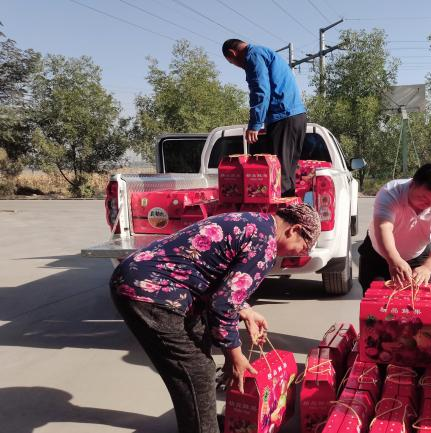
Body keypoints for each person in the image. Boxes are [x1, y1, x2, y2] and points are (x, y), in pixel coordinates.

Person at [109, 204, 321, 433]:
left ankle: (203, 424)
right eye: (304, 247)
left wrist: (246, 311)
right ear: (294, 230)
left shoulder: (256, 223)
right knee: (197, 371)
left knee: (200, 347)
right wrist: (236, 357)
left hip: (150, 278)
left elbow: (220, 278)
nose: (301, 253)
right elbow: (223, 305)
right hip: (149, 291)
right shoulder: (265, 246)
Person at [222, 39, 307, 197]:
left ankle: (280, 211)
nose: (238, 66)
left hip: (282, 117)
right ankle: (289, 209)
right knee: (288, 172)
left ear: (232, 54)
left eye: (233, 63)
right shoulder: (263, 52)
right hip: (297, 116)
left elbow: (260, 90)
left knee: (278, 173)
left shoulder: (252, 56)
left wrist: (255, 124)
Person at [358, 163, 431, 292]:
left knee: (418, 300)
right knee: (377, 300)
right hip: (379, 255)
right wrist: (394, 260)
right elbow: (384, 227)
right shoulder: (391, 192)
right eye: (424, 198)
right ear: (412, 184)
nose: (429, 205)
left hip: (418, 257)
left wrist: (427, 268)